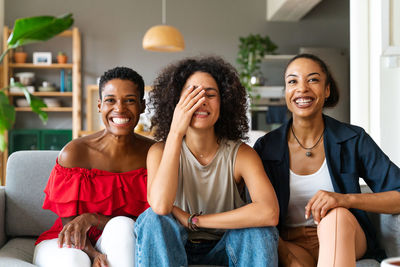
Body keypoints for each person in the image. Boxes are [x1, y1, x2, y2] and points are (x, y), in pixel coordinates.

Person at [253, 53, 400, 267]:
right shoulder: (267, 147)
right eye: (293, 81)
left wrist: (344, 199)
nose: (302, 88)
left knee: (336, 216)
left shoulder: (353, 139)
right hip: (292, 243)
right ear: (286, 92)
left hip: (345, 234)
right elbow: (255, 210)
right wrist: (289, 259)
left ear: (327, 89)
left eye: (313, 80)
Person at [135, 56, 279, 267]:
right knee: (152, 220)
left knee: (260, 230)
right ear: (176, 102)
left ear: (224, 103)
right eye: (192, 94)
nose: (201, 101)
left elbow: (269, 212)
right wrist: (176, 132)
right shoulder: (159, 151)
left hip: (225, 244)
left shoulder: (242, 154)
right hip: (176, 243)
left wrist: (196, 220)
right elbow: (160, 205)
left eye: (210, 95)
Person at [33, 67, 154, 267]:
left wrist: (93, 218)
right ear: (99, 105)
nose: (120, 108)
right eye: (110, 100)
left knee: (123, 226)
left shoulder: (154, 154)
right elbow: (70, 227)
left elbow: (147, 225)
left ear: (142, 106)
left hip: (121, 241)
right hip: (67, 242)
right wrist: (93, 254)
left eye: (130, 100)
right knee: (75, 260)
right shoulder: (74, 153)